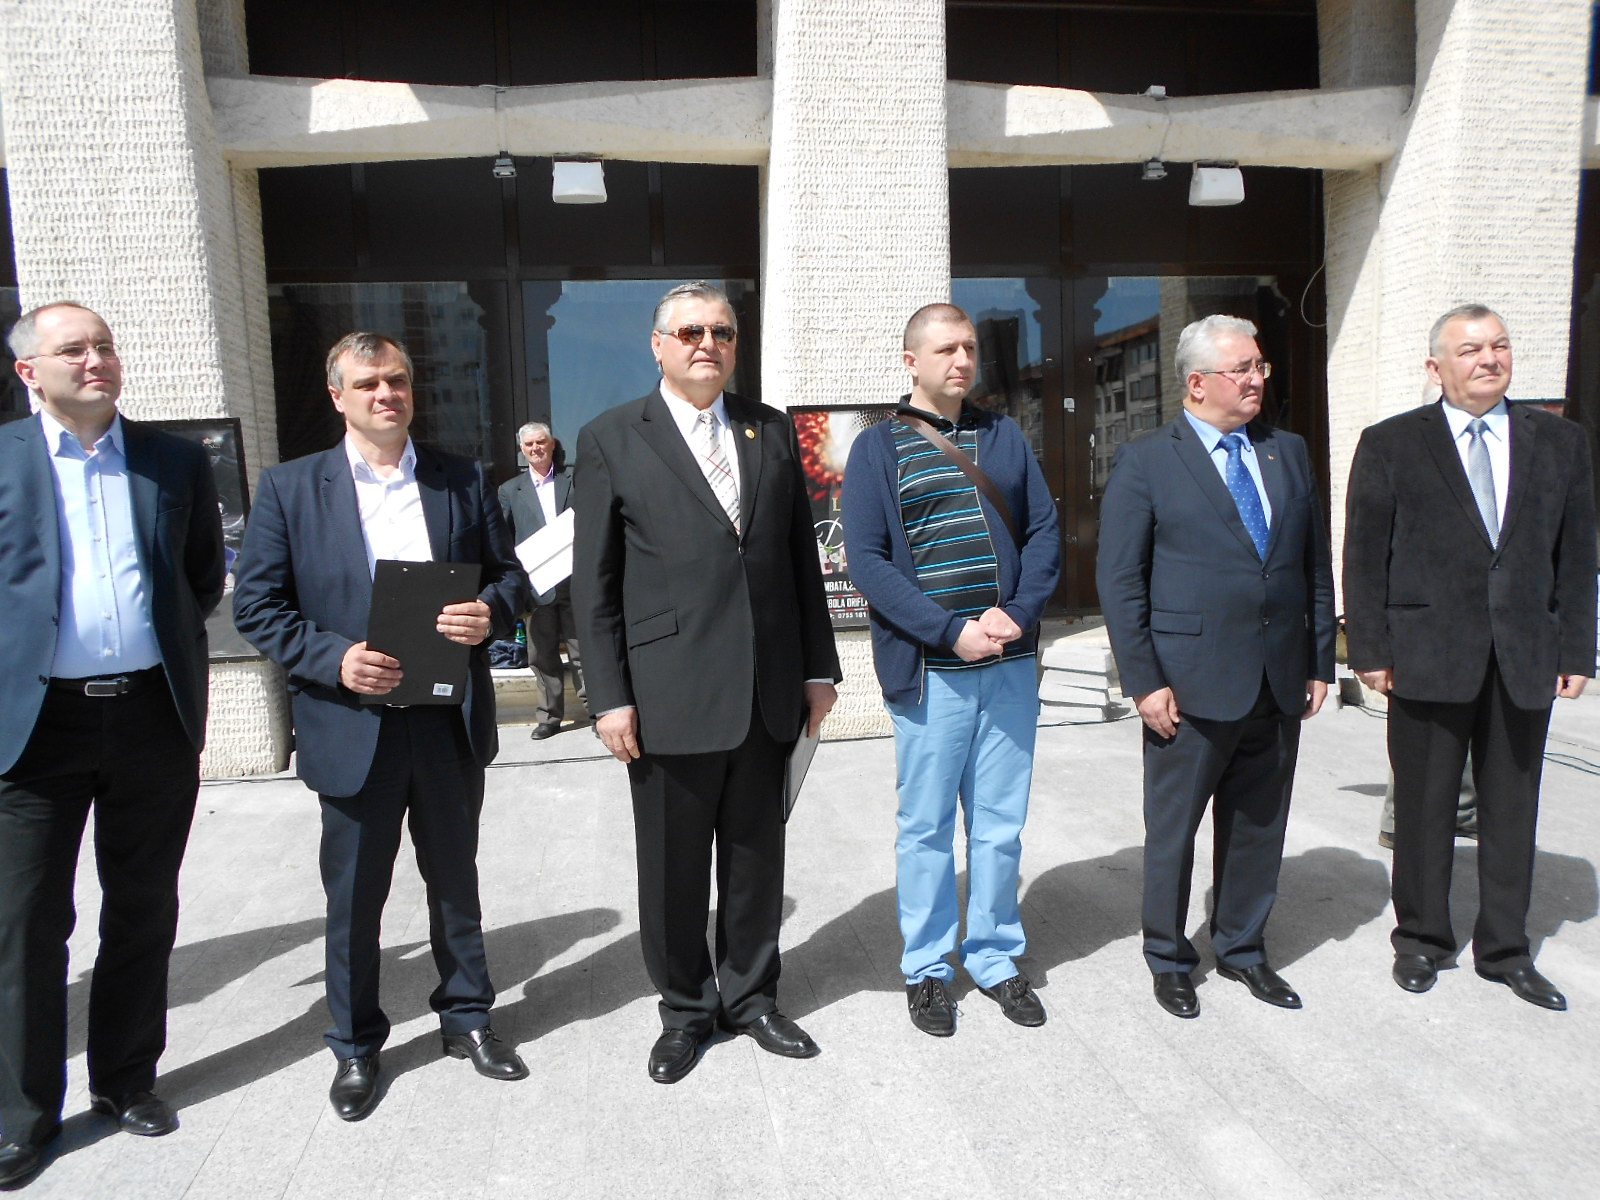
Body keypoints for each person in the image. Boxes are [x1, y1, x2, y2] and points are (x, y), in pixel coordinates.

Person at [233, 332, 530, 1121]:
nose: (386, 394)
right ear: (337, 395)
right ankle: (356, 1044)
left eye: (396, 380)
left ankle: (468, 1017)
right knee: (355, 898)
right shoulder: (292, 488)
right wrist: (334, 659)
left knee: (455, 882)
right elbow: (255, 606)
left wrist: (489, 612)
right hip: (350, 722)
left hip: (444, 720)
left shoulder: (461, 478)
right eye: (367, 384)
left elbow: (511, 577)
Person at [571, 281, 840, 1084]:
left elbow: (799, 561)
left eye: (721, 331)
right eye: (690, 332)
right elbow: (594, 586)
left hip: (765, 690)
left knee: (757, 861)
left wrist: (817, 667)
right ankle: (686, 1010)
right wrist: (609, 697)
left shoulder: (771, 429)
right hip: (668, 696)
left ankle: (752, 998)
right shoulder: (611, 437)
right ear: (658, 345)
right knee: (674, 871)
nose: (707, 344)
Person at [0, 303, 224, 1185]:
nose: (96, 359)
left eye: (104, 346)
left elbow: (199, 578)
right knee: (25, 924)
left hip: (149, 716)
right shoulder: (5, 459)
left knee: (142, 908)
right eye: (74, 349)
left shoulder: (173, 461)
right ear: (29, 372)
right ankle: (21, 1114)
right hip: (35, 727)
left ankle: (126, 1080)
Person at [1343, 303, 1597, 1010]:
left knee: (1512, 809)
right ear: (1436, 368)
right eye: (1471, 349)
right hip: (1424, 654)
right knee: (1424, 807)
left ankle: (1506, 949)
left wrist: (1578, 647)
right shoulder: (1392, 442)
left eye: (1500, 346)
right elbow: (1364, 554)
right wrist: (1369, 648)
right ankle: (1421, 939)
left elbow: (1577, 553)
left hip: (1525, 654)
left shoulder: (1560, 441)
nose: (1490, 359)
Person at [1097, 314, 1335, 1019]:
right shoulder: (1147, 461)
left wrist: (1319, 657)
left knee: (1260, 823)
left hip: (1277, 676)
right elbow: (1121, 581)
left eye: (1261, 366)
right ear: (1198, 383)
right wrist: (1144, 681)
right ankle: (1169, 957)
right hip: (1187, 684)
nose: (1258, 378)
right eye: (1244, 368)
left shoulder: (1287, 452)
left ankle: (1242, 948)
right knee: (1174, 832)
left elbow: (1311, 564)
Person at [840, 303, 1060, 1036]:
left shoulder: (1004, 436)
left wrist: (1017, 614)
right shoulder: (877, 449)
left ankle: (995, 957)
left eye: (968, 347)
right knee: (927, 828)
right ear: (911, 361)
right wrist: (949, 631)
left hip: (1010, 666)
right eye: (945, 349)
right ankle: (928, 969)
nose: (962, 360)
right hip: (932, 673)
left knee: (999, 828)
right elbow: (867, 562)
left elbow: (1043, 531)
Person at [498, 421, 585, 739]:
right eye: (529, 444)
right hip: (537, 586)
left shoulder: (575, 480)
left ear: (552, 444)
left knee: (584, 652)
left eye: (541, 442)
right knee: (542, 655)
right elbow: (503, 540)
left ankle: (596, 710)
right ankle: (549, 716)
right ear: (522, 450)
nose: (536, 448)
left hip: (576, 580)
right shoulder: (510, 490)